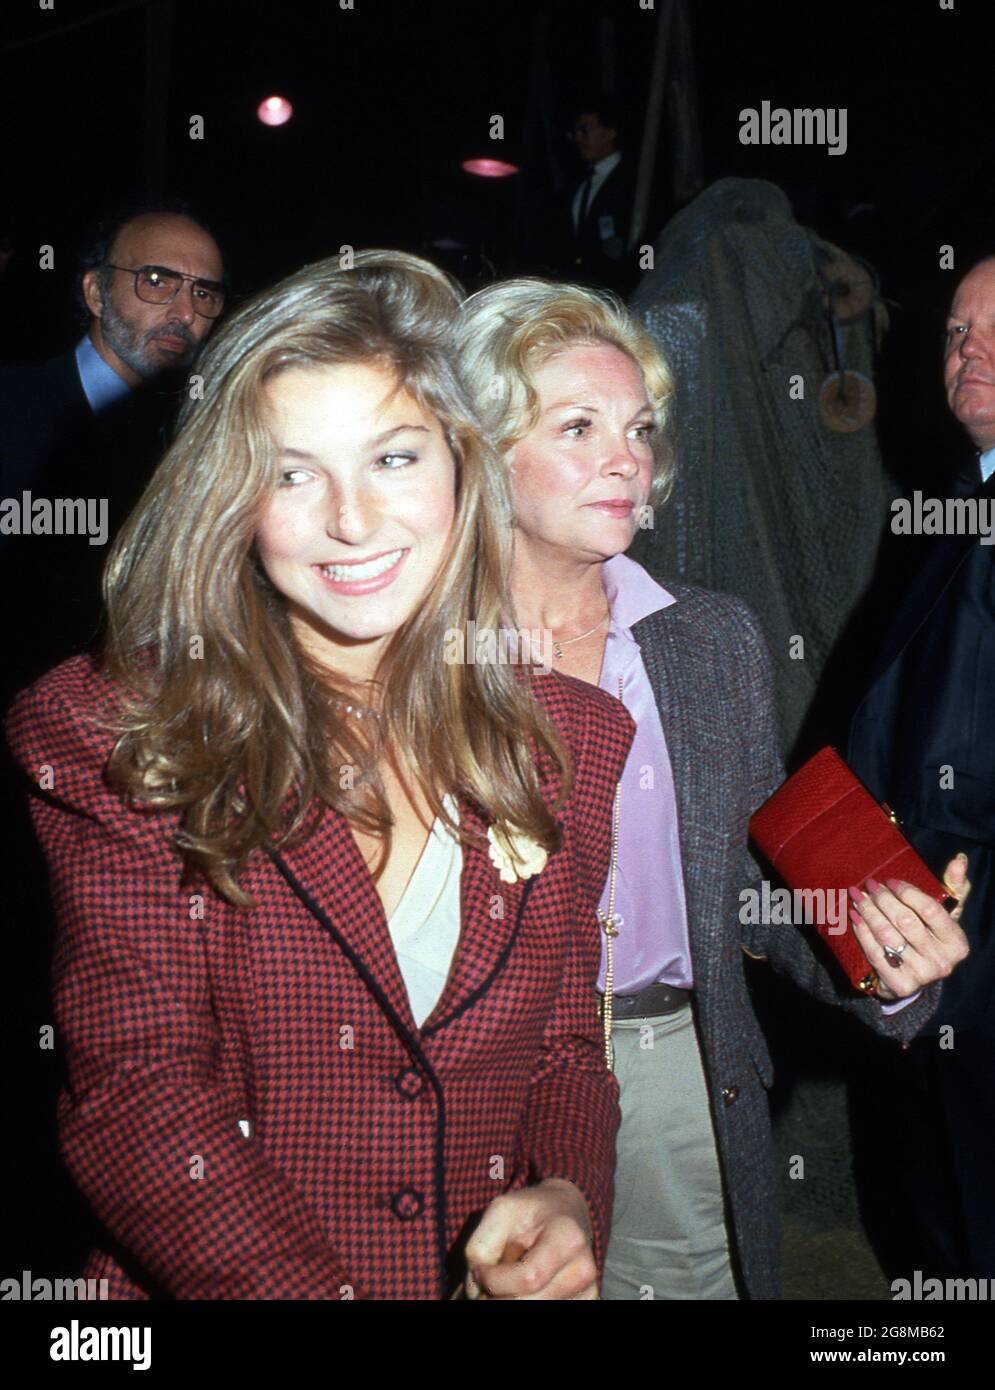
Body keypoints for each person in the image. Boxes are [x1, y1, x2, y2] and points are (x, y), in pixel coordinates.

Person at [4, 251, 635, 1301]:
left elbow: (566, 1046)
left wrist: (567, 1193)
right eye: (291, 473)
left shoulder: (571, 735)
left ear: (459, 467)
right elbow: (137, 1096)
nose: (351, 519)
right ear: (232, 499)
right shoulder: (112, 728)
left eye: (393, 458)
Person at [456, 276, 970, 1300]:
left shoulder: (706, 637)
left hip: (673, 1068)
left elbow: (746, 884)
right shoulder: (411, 657)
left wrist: (878, 948)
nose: (626, 457)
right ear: (477, 448)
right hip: (468, 1081)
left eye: (639, 427)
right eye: (578, 425)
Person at [847, 255, 995, 1281]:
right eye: (954, 331)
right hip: (925, 950)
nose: (968, 351)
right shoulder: (952, 505)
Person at [0, 204, 226, 704]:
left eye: (203, 293)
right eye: (156, 281)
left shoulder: (212, 437)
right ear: (96, 293)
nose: (185, 313)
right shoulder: (11, 408)